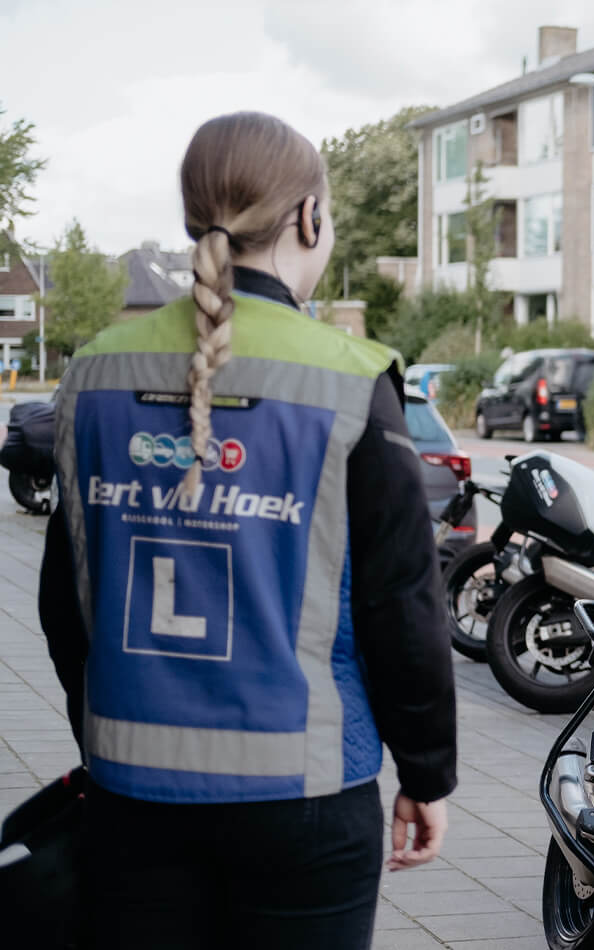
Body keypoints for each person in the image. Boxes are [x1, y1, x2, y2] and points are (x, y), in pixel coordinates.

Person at [37, 112, 457, 949]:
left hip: (130, 797)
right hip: (302, 802)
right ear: (309, 217)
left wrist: (106, 728)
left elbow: (65, 600)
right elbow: (401, 608)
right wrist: (426, 773)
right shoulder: (349, 381)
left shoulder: (92, 373)